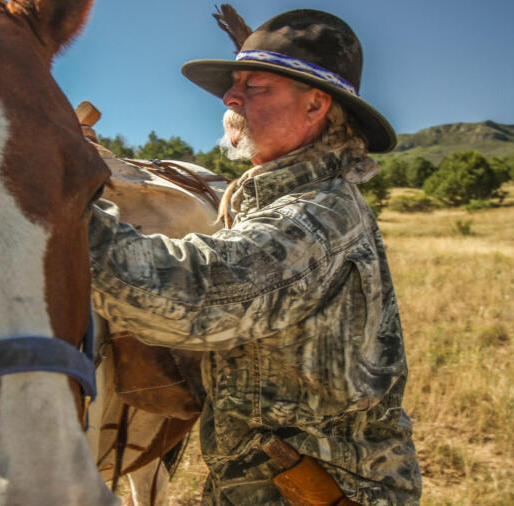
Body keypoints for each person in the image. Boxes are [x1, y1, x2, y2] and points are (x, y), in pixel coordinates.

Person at [89, 8, 422, 505]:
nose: (229, 97)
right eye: (234, 83)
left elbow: (193, 296)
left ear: (315, 107)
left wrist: (57, 204)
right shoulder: (301, 200)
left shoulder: (316, 218)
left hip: (315, 492)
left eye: (256, 87)